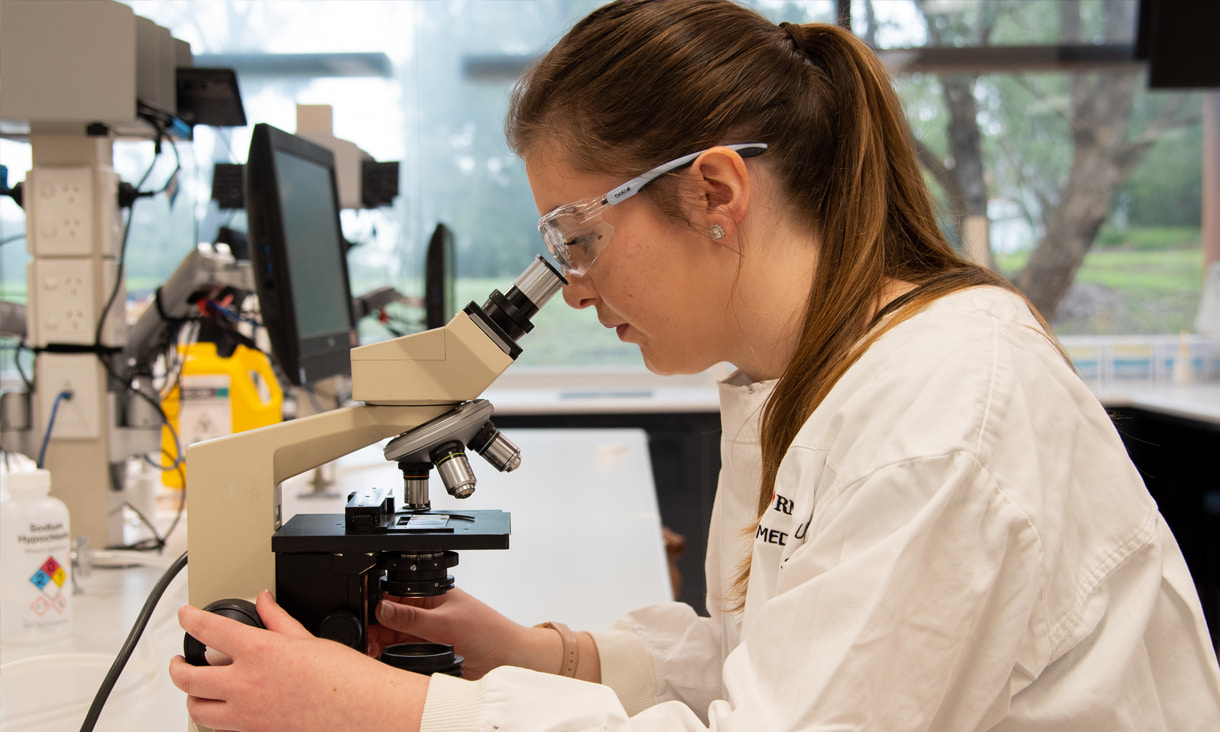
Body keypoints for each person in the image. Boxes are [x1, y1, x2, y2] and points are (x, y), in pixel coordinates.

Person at [170, 0, 1220, 729]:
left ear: (714, 191)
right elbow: (766, 659)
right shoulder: (809, 375)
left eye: (578, 237)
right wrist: (541, 655)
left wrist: (392, 713)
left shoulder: (935, 417)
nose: (570, 287)